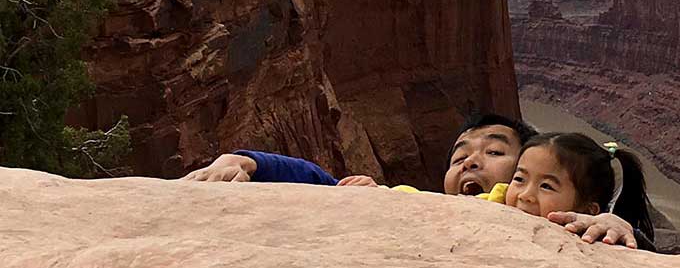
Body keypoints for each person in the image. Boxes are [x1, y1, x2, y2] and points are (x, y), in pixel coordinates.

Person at [183, 114, 644, 248]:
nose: (470, 162)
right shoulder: (418, 203)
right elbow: (319, 184)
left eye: (495, 153)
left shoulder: (565, 222)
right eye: (459, 155)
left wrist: (625, 230)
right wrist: (249, 162)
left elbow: (629, 245)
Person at [503, 132, 655, 248]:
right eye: (519, 179)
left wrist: (618, 227)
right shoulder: (492, 200)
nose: (525, 195)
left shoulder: (591, 237)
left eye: (546, 186)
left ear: (588, 211)